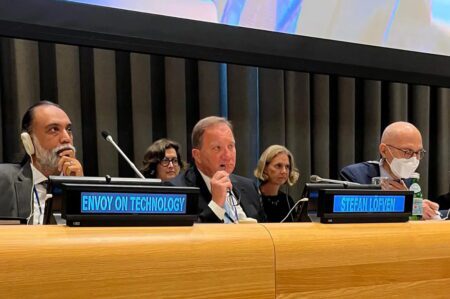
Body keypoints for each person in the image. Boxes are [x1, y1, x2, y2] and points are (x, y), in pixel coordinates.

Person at [0, 101, 83, 224]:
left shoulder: (82, 186)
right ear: (28, 141)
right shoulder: (3, 180)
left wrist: (79, 187)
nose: (66, 138)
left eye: (69, 129)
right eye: (54, 129)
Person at [170, 116, 266, 223]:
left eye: (230, 146)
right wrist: (216, 205)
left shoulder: (248, 187)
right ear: (197, 155)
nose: (227, 155)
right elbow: (187, 236)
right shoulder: (177, 190)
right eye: (217, 148)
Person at [340, 121, 439, 220]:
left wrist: (426, 214)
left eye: (418, 152)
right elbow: (351, 214)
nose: (414, 159)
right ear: (384, 150)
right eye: (407, 151)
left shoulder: (410, 180)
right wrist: (406, 204)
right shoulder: (355, 175)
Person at [254, 145, 299, 222]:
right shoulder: (253, 198)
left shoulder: (287, 200)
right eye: (278, 166)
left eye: (287, 167)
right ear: (264, 168)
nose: (284, 171)